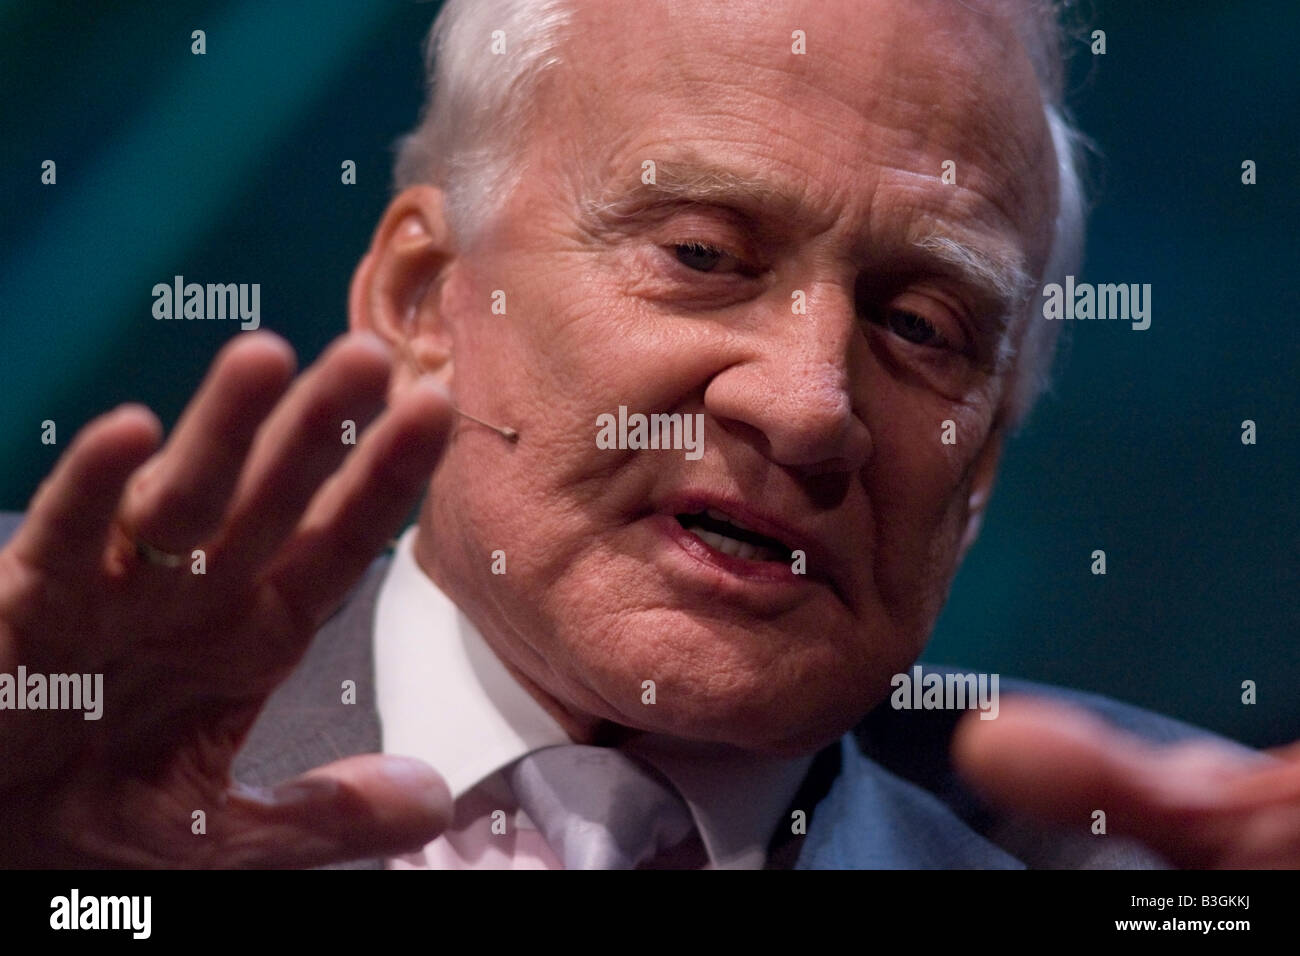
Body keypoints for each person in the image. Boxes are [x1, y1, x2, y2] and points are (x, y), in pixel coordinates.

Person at [1, 0, 1294, 869]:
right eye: (701, 254)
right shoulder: (38, 722)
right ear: (425, 301)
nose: (804, 406)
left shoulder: (1149, 857)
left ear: (983, 473)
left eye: (922, 327)